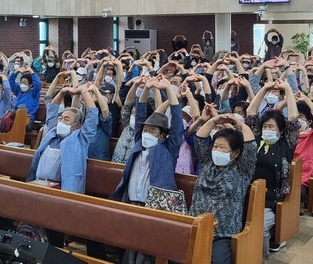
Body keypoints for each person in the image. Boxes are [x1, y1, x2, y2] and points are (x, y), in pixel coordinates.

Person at [26, 83, 98, 247]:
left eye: (66, 119)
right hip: (39, 185)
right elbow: (52, 108)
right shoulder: (52, 132)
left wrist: (83, 92)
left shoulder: (80, 138)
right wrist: (63, 91)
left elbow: (93, 115)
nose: (61, 121)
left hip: (62, 190)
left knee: (54, 231)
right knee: (37, 227)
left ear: (76, 125)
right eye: (61, 118)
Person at [188, 104, 257, 264]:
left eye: (222, 147)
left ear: (236, 153)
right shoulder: (207, 162)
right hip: (194, 224)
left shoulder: (242, 169)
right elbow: (199, 139)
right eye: (215, 146)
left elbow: (251, 147)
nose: (217, 150)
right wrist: (213, 120)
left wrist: (240, 124)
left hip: (222, 232)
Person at [245, 80, 299, 256]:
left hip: (271, 199)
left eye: (271, 127)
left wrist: (288, 90)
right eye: (265, 126)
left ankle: (260, 257)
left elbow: (292, 118)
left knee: (260, 229)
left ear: (281, 131)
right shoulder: (256, 141)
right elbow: (251, 112)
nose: (267, 129)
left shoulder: (286, 144)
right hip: (247, 193)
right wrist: (265, 89)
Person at [110, 76, 182, 204]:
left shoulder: (169, 148)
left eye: (152, 130)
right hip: (131, 202)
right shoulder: (139, 143)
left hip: (156, 206)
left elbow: (177, 126)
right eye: (145, 130)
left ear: (162, 135)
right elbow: (140, 115)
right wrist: (147, 87)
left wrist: (169, 89)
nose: (146, 133)